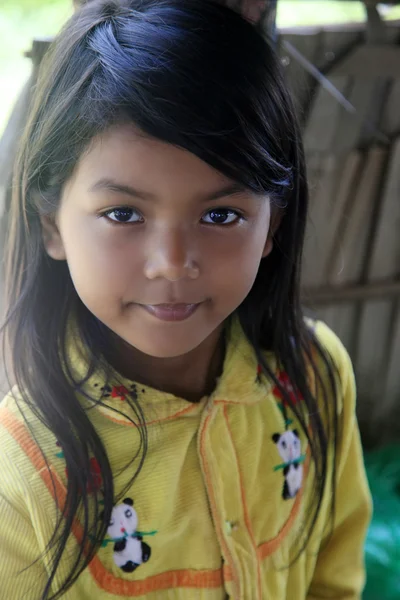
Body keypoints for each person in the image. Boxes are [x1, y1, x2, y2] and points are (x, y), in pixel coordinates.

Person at [0, 1, 372, 599]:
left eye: (221, 214)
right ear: (51, 224)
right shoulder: (20, 478)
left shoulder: (318, 376)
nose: (172, 262)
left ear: (272, 225)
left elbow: (335, 575)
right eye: (123, 213)